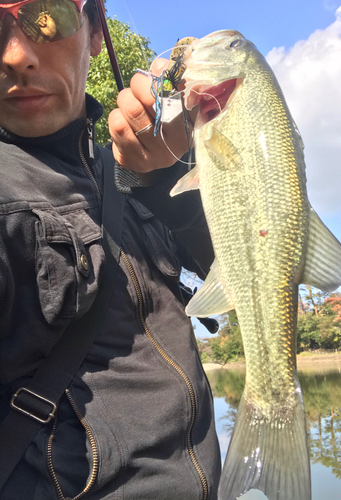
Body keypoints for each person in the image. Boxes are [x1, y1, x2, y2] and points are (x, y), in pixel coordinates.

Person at [0, 0, 221, 499]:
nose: (16, 55)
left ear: (96, 32)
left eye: (46, 15)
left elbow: (237, 275)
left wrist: (169, 181)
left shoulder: (137, 172)